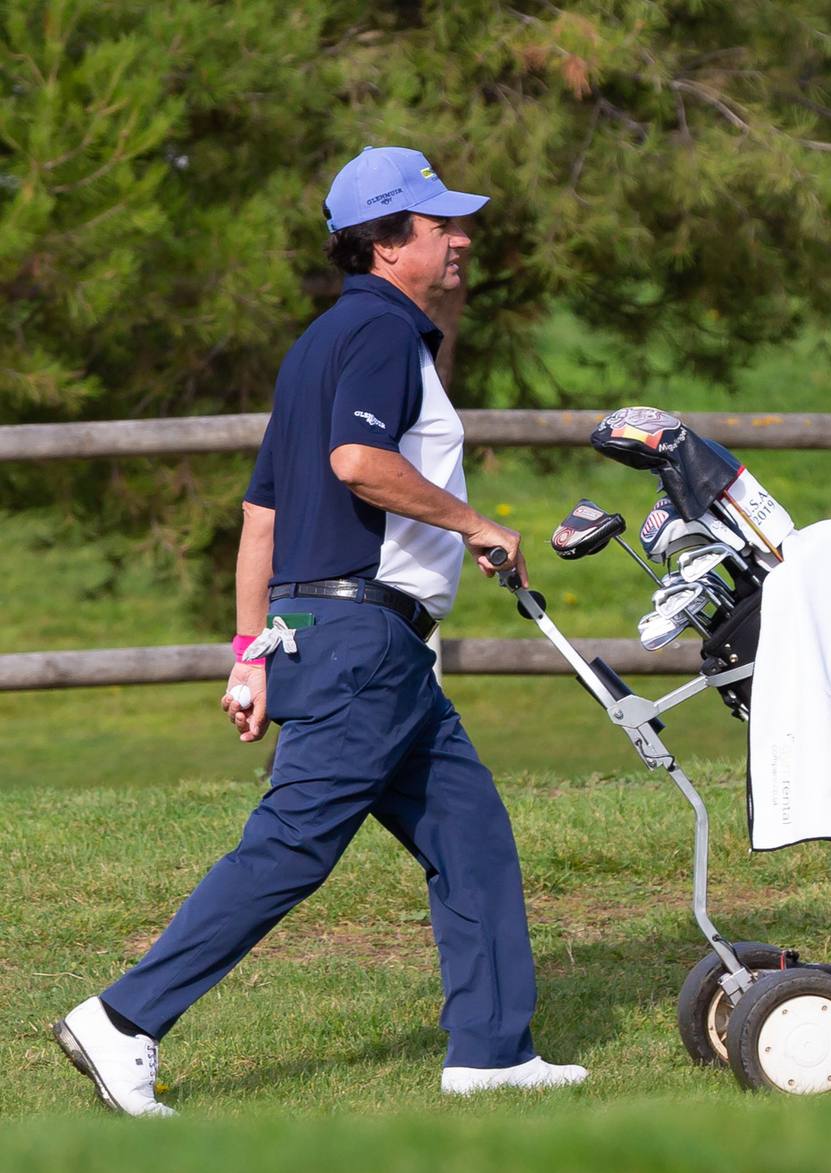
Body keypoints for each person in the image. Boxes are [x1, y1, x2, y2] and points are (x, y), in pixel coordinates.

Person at [52, 147, 586, 1116]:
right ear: (387, 244)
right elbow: (354, 462)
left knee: (471, 837)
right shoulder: (386, 336)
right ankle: (124, 1019)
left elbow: (261, 518)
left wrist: (249, 656)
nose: (462, 238)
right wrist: (477, 523)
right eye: (440, 226)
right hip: (362, 647)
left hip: (331, 639)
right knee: (293, 845)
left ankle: (492, 1053)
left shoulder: (318, 346)